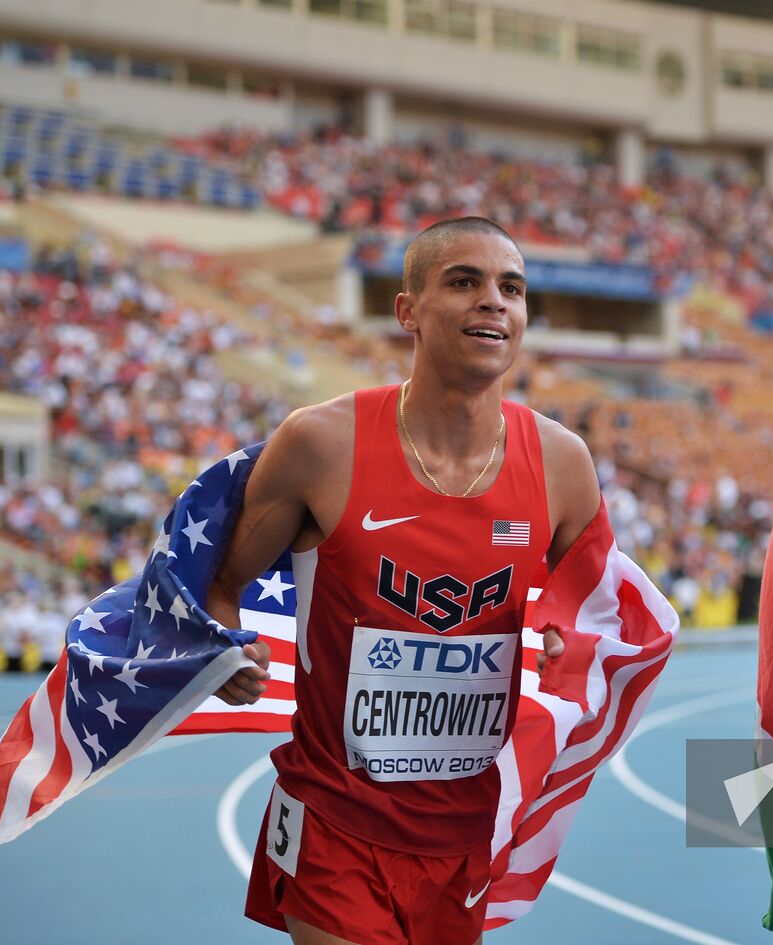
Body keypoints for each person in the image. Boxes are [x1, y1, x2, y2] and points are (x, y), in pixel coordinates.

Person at [204, 216, 601, 945]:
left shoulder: (562, 464)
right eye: (464, 281)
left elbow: (594, 610)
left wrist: (564, 638)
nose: (494, 302)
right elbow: (222, 581)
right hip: (335, 821)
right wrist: (228, 645)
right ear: (407, 310)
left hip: (466, 832)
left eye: (510, 288)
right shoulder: (321, 443)